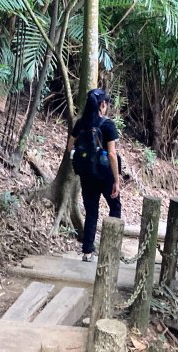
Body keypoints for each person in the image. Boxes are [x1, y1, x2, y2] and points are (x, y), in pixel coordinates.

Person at [66, 87, 121, 261]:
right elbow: (112, 154)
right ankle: (111, 249)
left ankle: (87, 252)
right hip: (105, 175)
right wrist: (116, 180)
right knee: (115, 207)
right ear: (102, 104)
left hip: (87, 175)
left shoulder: (80, 123)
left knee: (91, 212)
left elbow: (69, 148)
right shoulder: (107, 125)